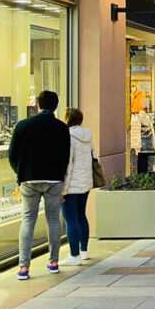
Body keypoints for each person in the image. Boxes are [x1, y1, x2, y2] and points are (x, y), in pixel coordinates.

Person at [8, 90, 71, 280]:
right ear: (56, 106)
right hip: (53, 179)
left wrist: (20, 173)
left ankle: (23, 267)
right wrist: (61, 178)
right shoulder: (61, 127)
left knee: (28, 220)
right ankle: (53, 262)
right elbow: (65, 156)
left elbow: (12, 155)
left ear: (37, 104)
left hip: (29, 178)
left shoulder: (23, 125)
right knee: (53, 219)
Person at [60, 108, 94, 266]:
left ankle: (74, 255)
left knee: (70, 219)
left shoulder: (68, 137)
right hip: (85, 183)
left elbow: (67, 165)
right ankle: (84, 251)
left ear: (67, 118)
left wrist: (63, 189)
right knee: (81, 216)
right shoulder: (87, 136)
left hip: (72, 185)